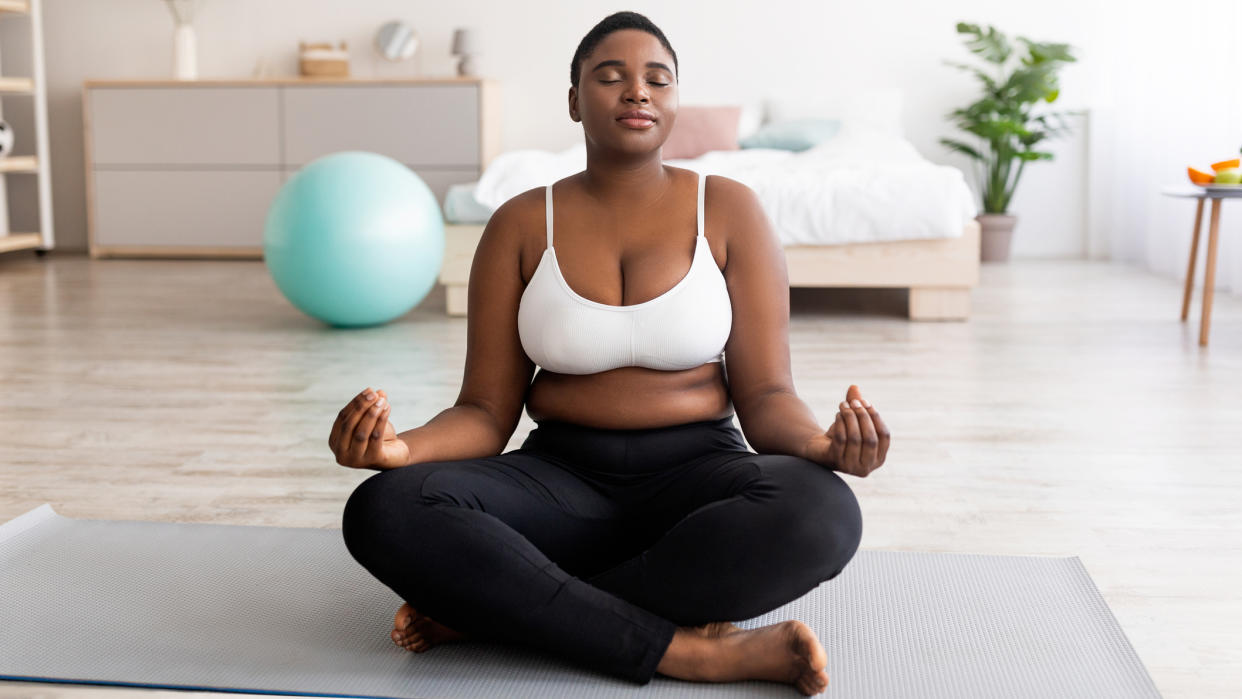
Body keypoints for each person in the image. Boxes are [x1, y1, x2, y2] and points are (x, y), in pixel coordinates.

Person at [335, 11, 889, 696]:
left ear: (676, 100)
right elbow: (484, 411)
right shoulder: (518, 223)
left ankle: (500, 612)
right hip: (558, 483)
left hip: (698, 481)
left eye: (658, 78)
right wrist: (399, 450)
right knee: (382, 508)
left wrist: (824, 446)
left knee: (823, 513)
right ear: (574, 100)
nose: (638, 92)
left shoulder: (730, 210)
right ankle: (694, 651)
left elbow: (768, 397)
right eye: (611, 76)